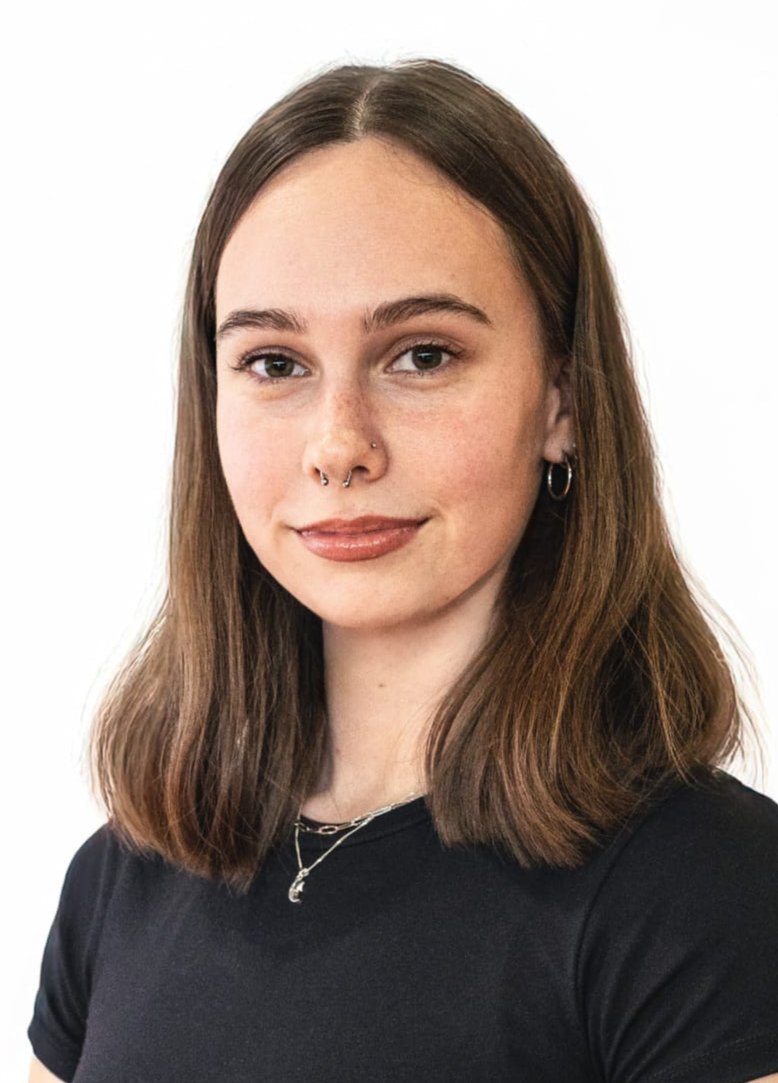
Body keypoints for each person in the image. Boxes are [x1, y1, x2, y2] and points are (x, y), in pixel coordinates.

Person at [27, 57, 778, 1083]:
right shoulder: (122, 881)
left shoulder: (705, 890)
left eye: (421, 355)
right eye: (274, 364)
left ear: (559, 399)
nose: (339, 446)